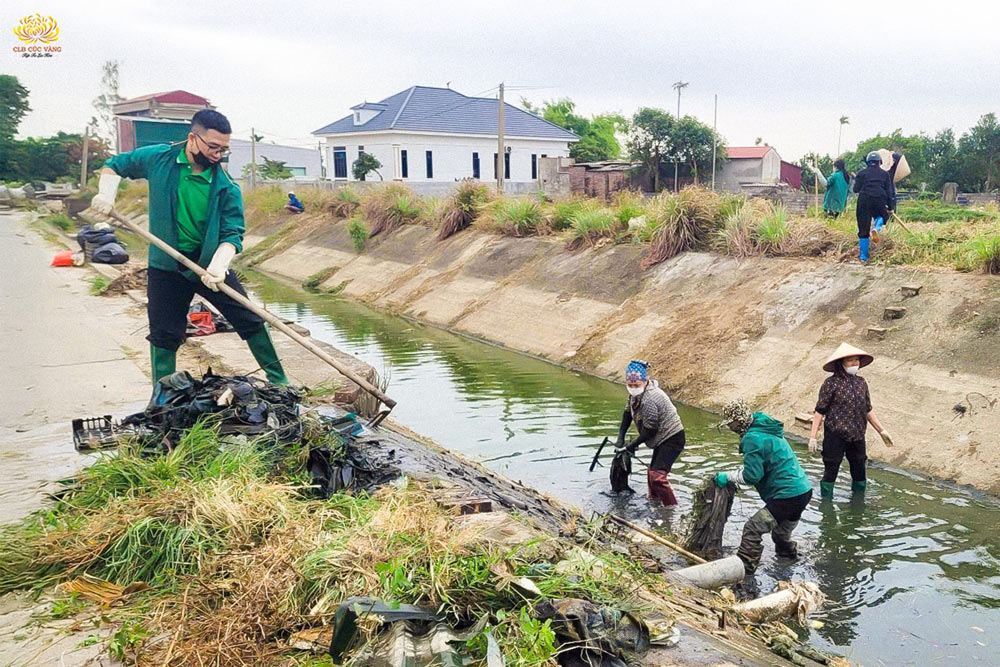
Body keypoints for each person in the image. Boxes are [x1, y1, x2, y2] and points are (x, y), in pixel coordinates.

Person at [89, 109, 289, 387]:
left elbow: (233, 233)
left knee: (250, 319)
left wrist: (219, 266)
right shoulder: (159, 158)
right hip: (166, 266)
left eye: (224, 150)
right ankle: (162, 396)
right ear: (193, 139)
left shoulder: (226, 187)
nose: (218, 155)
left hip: (208, 264)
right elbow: (115, 164)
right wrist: (106, 194)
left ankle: (280, 381)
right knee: (164, 333)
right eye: (213, 147)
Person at [714, 398, 813, 573]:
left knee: (752, 528)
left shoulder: (753, 438)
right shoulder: (765, 429)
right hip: (803, 491)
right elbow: (759, 465)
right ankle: (788, 565)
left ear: (738, 422)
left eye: (731, 424)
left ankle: (745, 572)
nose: (730, 428)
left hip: (787, 496)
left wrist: (727, 476)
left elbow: (752, 476)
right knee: (780, 535)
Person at [808, 343, 892, 499]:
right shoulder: (830, 384)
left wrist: (881, 430)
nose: (854, 363)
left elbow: (867, 409)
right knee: (831, 469)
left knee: (859, 469)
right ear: (841, 363)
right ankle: (826, 505)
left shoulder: (861, 383)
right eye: (850, 360)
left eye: (857, 360)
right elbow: (820, 411)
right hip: (835, 435)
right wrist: (813, 437)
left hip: (858, 435)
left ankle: (858, 503)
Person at [613, 360, 685, 505]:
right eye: (630, 385)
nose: (633, 388)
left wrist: (631, 446)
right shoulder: (635, 395)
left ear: (645, 381)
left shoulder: (650, 399)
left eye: (636, 385)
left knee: (657, 476)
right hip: (660, 438)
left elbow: (650, 431)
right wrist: (620, 437)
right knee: (651, 472)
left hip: (672, 437)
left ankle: (670, 508)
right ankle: (655, 501)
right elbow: (628, 413)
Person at [852, 151, 892, 262]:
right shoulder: (885, 174)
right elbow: (889, 192)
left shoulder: (861, 173)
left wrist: (857, 180)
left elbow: (856, 190)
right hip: (879, 198)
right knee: (882, 216)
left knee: (863, 229)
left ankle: (864, 257)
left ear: (868, 162)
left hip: (864, 199)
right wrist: (890, 206)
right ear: (880, 162)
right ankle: (876, 228)